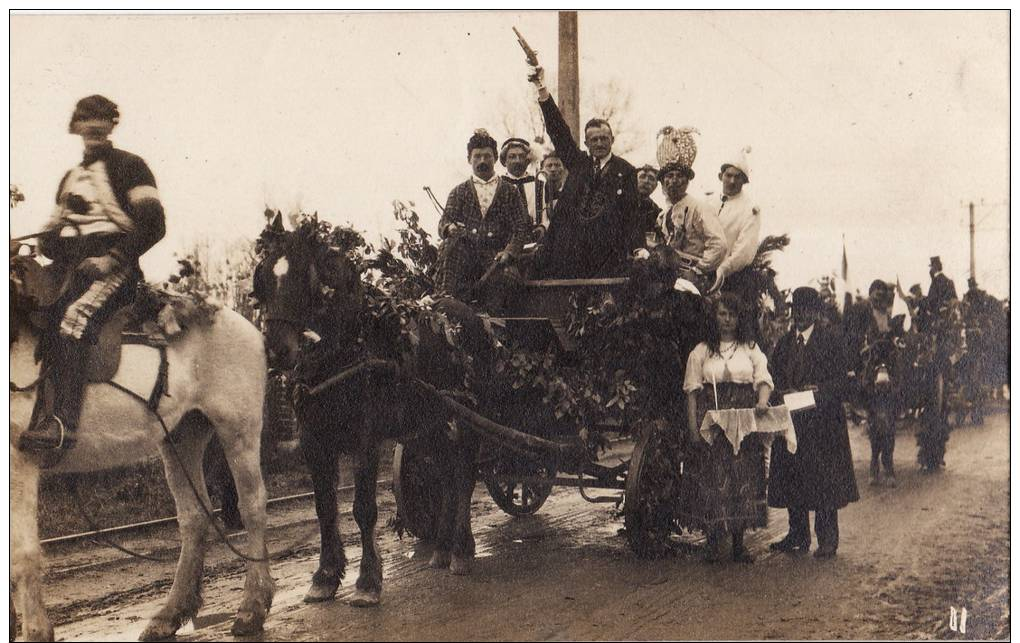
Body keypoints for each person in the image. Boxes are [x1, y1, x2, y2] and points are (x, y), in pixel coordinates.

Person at [18, 94, 166, 452]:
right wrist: (44, 241)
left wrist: (112, 258)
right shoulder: (70, 178)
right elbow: (54, 241)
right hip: (71, 269)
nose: (95, 125)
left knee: (73, 319)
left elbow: (154, 224)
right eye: (87, 118)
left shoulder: (131, 166)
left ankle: (63, 425)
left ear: (113, 124)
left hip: (114, 267)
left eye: (103, 118)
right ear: (77, 127)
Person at [681, 293, 774, 563]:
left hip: (744, 425)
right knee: (714, 481)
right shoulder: (701, 351)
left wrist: (762, 401)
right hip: (713, 425)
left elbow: (763, 378)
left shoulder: (750, 348)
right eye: (722, 314)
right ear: (715, 316)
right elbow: (691, 391)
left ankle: (738, 544)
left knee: (742, 481)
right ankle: (712, 542)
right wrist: (693, 428)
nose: (727, 320)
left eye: (732, 315)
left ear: (739, 318)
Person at [768, 287, 859, 559]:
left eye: (806, 310)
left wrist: (819, 391)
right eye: (796, 309)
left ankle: (827, 539)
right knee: (793, 477)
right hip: (792, 422)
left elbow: (844, 381)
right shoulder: (784, 344)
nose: (800, 315)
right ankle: (797, 535)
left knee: (824, 482)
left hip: (822, 424)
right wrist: (779, 393)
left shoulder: (831, 342)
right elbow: (773, 380)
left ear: (816, 313)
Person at [527, 65, 641, 278]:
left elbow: (632, 214)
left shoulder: (626, 171)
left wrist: (637, 248)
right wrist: (542, 90)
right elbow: (558, 131)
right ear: (586, 143)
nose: (599, 143)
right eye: (594, 139)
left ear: (612, 140)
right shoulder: (578, 163)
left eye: (604, 138)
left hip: (606, 255)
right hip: (570, 253)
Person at [434, 129, 530, 302]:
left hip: (497, 258)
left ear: (495, 159)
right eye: (477, 156)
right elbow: (444, 223)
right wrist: (450, 228)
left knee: (506, 286)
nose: (482, 161)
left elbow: (521, 227)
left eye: (487, 156)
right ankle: (446, 306)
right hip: (466, 259)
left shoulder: (510, 191)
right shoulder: (458, 192)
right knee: (450, 254)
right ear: (469, 159)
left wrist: (509, 252)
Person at [844, 280, 904, 486]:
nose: (879, 298)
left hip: (889, 367)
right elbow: (850, 337)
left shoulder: (890, 313)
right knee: (875, 418)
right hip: (868, 367)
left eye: (882, 295)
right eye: (876, 294)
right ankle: (874, 462)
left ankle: (887, 464)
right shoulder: (860, 311)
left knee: (888, 421)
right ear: (870, 294)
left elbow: (897, 337)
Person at [656, 162, 727, 277]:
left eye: (679, 176)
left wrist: (698, 269)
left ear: (687, 182)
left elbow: (719, 244)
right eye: (669, 176)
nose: (674, 180)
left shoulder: (700, 208)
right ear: (663, 182)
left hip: (695, 275)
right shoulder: (663, 215)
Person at [709, 147, 761, 297]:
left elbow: (744, 250)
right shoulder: (708, 201)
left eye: (738, 177)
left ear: (744, 181)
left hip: (730, 278)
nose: (732, 181)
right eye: (728, 175)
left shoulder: (750, 210)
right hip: (702, 270)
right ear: (720, 176)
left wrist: (724, 269)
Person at [500, 137, 544, 228]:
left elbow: (547, 216)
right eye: (512, 157)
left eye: (522, 156)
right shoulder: (498, 185)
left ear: (528, 161)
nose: (517, 161)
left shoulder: (539, 185)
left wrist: (543, 227)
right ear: (504, 161)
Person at [635, 164, 662, 238]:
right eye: (642, 177)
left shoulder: (657, 212)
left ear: (655, 186)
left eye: (651, 179)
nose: (646, 181)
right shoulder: (620, 202)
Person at [539, 150, 567, 221]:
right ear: (542, 170)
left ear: (564, 169)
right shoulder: (538, 191)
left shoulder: (570, 190)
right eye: (549, 166)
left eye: (557, 165)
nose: (553, 169)